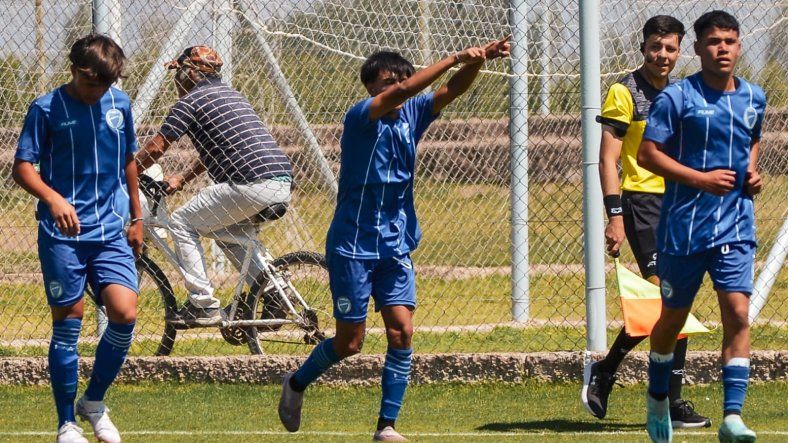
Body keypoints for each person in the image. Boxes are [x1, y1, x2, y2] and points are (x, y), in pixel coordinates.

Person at [277, 38, 511, 441]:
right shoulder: (361, 116)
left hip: (395, 244)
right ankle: (296, 383)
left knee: (401, 331)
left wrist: (479, 60)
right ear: (371, 89)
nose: (400, 86)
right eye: (388, 82)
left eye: (403, 77)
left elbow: (452, 89)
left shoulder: (412, 114)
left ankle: (386, 426)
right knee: (350, 342)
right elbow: (408, 90)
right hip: (353, 246)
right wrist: (455, 56)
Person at [638, 10, 766, 443]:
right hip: (682, 231)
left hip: (735, 228)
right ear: (697, 48)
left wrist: (752, 173)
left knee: (738, 313)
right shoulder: (677, 99)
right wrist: (700, 179)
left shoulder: (754, 97)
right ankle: (657, 397)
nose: (723, 48)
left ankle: (732, 418)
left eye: (730, 40)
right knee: (672, 321)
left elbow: (752, 140)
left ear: (739, 44)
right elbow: (647, 155)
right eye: (714, 41)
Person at [12, 34, 142, 443]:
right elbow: (22, 166)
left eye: (105, 85)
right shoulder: (45, 108)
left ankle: (94, 402)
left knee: (124, 313)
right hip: (62, 235)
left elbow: (129, 160)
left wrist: (137, 217)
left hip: (109, 231)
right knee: (69, 324)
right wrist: (52, 198)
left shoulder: (119, 105)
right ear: (74, 71)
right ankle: (66, 422)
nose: (98, 92)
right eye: (91, 84)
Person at [584, 15, 710, 428]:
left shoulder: (683, 94)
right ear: (643, 48)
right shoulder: (625, 92)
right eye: (656, 47)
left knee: (679, 300)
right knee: (666, 295)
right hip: (641, 205)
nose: (662, 55)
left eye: (670, 48)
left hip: (681, 206)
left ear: (680, 51)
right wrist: (614, 215)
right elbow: (607, 159)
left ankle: (610, 371)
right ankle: (659, 395)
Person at [135, 46, 293, 325]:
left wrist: (128, 172)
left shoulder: (191, 102)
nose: (176, 82)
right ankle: (273, 295)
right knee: (226, 232)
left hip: (248, 183)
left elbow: (158, 146)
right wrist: (182, 179)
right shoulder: (233, 96)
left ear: (190, 73)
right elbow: (218, 152)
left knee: (182, 223)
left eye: (178, 74)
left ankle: (202, 304)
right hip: (279, 181)